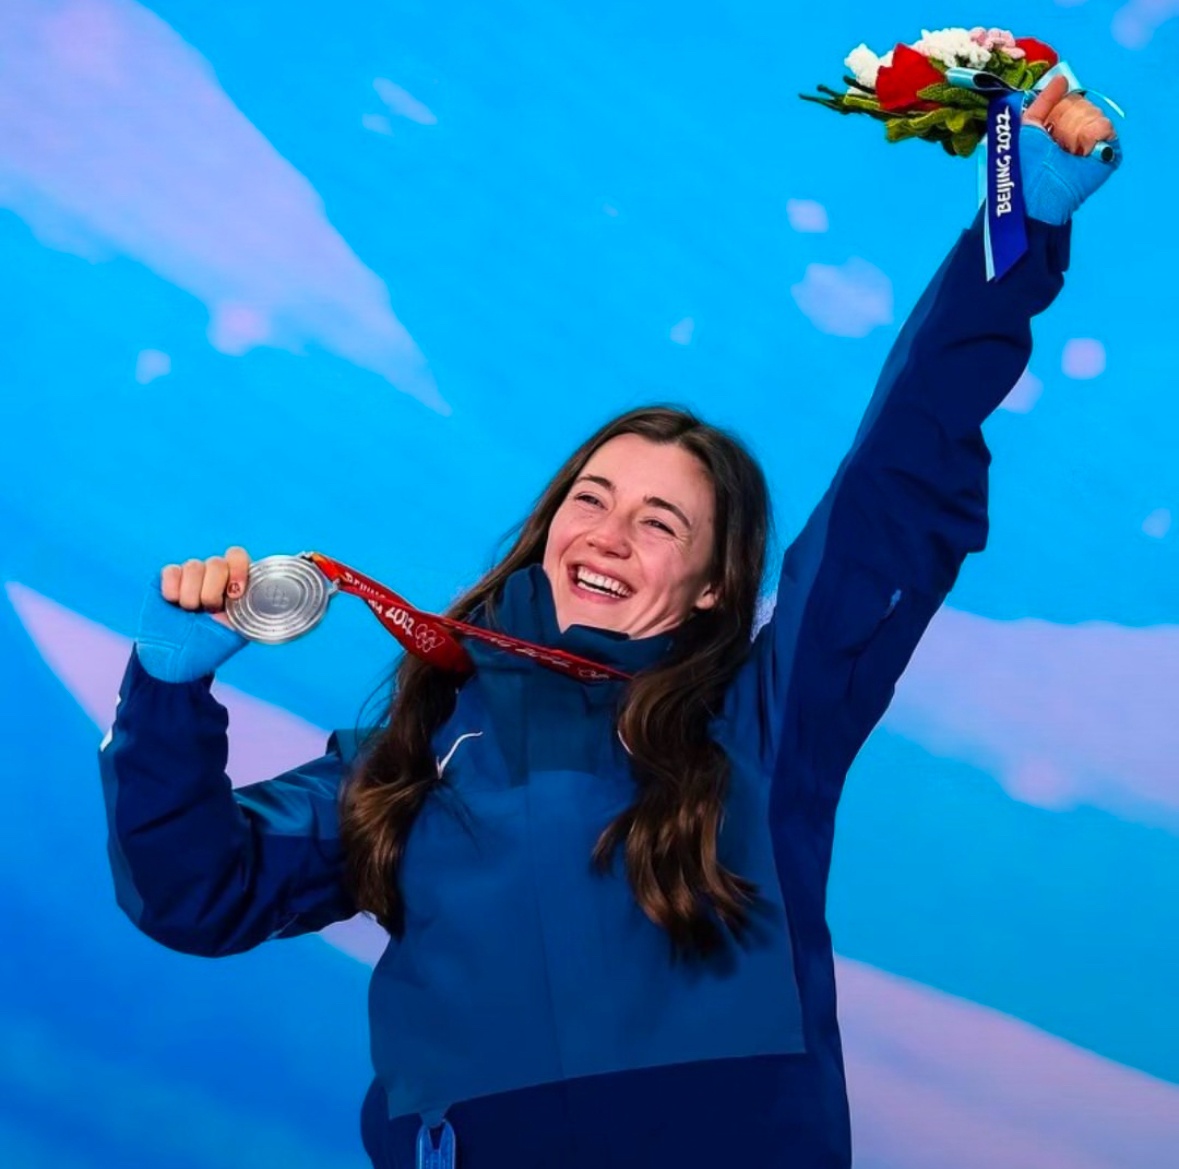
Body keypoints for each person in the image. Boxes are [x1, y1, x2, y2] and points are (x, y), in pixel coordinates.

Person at [98, 77, 1120, 1168]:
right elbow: (198, 892)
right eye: (590, 499)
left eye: (660, 519)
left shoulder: (761, 725)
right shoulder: (414, 752)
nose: (610, 532)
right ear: (547, 528)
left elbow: (897, 483)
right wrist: (168, 687)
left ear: (713, 586)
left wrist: (1025, 219)